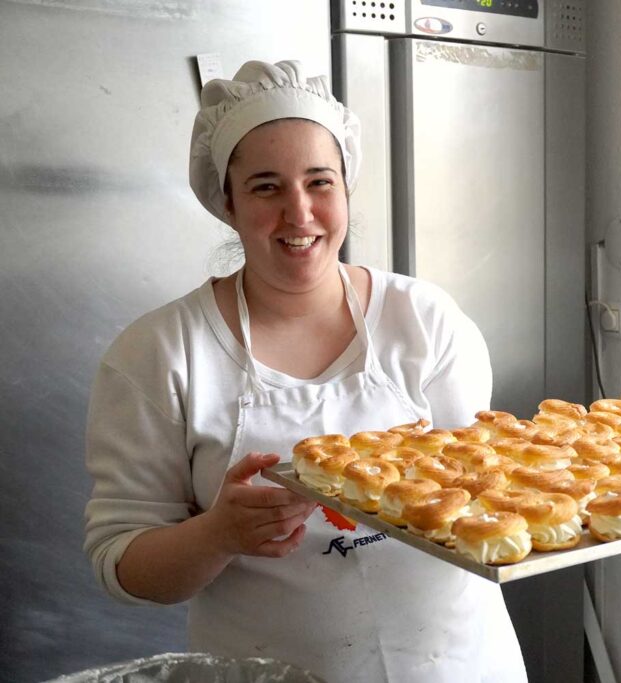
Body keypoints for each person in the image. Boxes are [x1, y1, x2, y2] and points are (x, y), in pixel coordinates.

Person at [83, 60, 527, 682]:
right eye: (266, 187)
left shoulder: (423, 319)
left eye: (320, 182)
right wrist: (217, 534)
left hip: (458, 663)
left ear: (346, 189)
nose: (300, 214)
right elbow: (123, 563)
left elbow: (494, 490)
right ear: (227, 202)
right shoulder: (161, 353)